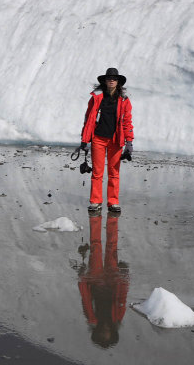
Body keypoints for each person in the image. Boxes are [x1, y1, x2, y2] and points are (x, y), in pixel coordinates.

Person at [80, 68, 134, 212]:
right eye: (109, 78)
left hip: (116, 141)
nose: (111, 80)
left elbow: (127, 121)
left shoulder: (124, 100)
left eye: (114, 78)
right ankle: (95, 201)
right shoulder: (96, 98)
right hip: (98, 138)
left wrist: (129, 142)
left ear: (118, 82)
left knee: (114, 173)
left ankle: (113, 202)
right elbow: (89, 120)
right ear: (105, 81)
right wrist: (84, 141)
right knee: (97, 172)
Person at [77, 212, 129, 348]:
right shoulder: (117, 318)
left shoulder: (92, 318)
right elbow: (122, 298)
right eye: (108, 333)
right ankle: (112, 219)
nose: (105, 330)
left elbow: (86, 299)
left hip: (95, 280)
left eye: (102, 334)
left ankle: (95, 218)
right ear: (112, 332)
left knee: (96, 247)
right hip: (113, 281)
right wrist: (124, 278)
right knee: (111, 247)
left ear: (97, 332)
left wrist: (82, 280)